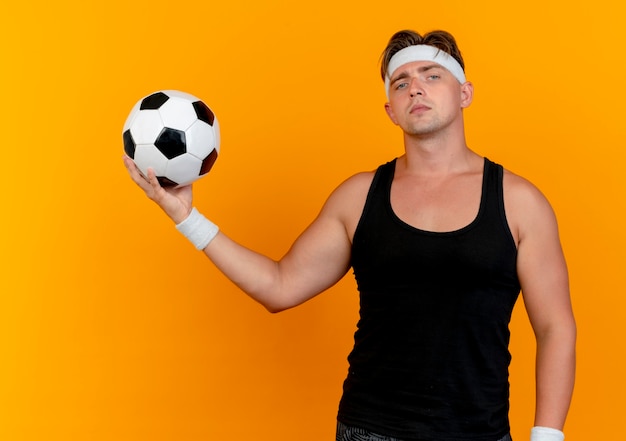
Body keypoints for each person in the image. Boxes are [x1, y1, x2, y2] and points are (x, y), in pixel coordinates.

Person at [123, 29, 576, 441]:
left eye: (431, 75)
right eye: (400, 83)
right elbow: (279, 287)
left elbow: (555, 327)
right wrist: (186, 216)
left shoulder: (520, 202)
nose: (415, 87)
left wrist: (547, 436)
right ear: (390, 110)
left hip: (480, 433)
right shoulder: (358, 197)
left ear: (465, 93)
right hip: (370, 429)